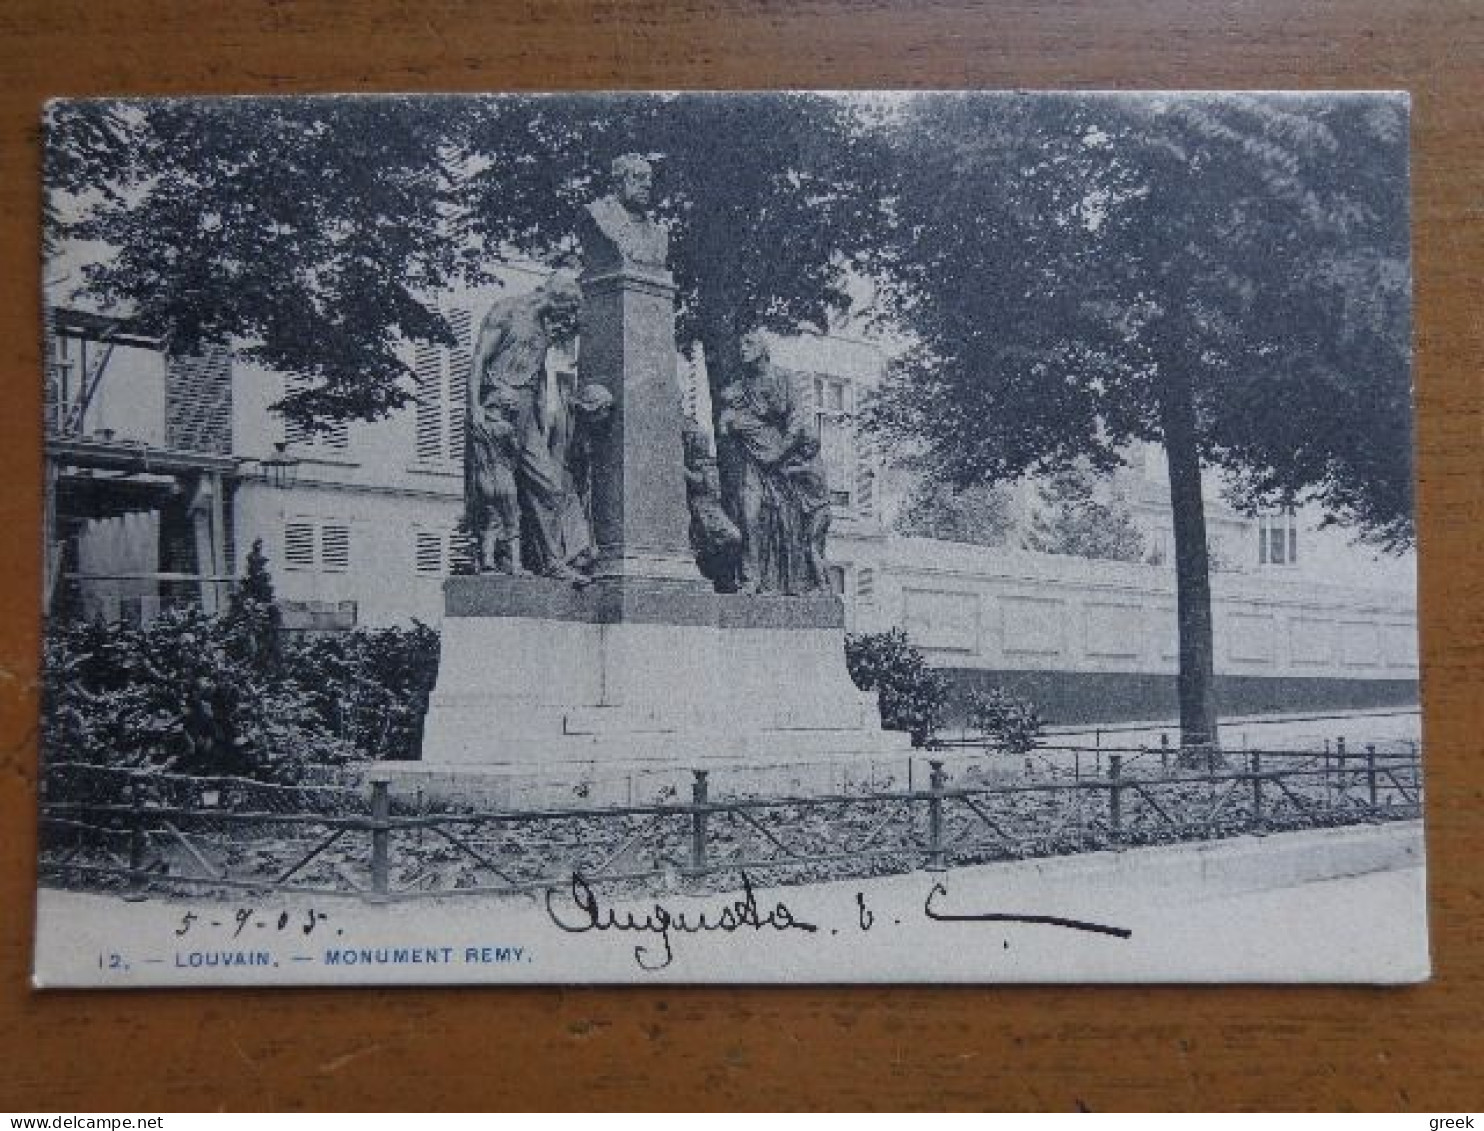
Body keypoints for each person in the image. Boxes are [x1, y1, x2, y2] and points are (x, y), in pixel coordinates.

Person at [467, 274, 583, 579]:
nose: (568, 318)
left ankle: (553, 561)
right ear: (556, 299)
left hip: (527, 415)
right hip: (498, 408)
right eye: (568, 309)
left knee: (549, 487)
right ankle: (497, 557)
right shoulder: (506, 311)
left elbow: (539, 378)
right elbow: (479, 359)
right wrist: (475, 408)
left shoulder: (546, 327)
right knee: (495, 491)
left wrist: (541, 422)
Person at [715, 331, 830, 595]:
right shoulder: (740, 386)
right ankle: (751, 578)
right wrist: (728, 420)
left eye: (748, 343)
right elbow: (725, 427)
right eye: (740, 344)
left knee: (786, 523)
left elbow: (797, 420)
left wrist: (779, 453)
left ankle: (791, 582)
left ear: (763, 349)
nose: (742, 349)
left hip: (781, 460)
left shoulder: (783, 378)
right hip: (752, 462)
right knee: (749, 515)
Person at [465, 387, 524, 574]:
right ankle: (516, 564)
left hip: (484, 479)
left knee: (491, 522)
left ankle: (488, 560)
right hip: (503, 477)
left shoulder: (477, 428)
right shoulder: (505, 428)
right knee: (512, 522)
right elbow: (516, 452)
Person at [681, 420, 742, 591]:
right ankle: (719, 578)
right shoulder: (691, 462)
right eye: (698, 440)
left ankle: (722, 579)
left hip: (712, 507)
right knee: (729, 537)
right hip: (700, 508)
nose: (702, 444)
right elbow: (699, 482)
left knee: (733, 537)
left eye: (703, 441)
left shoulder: (706, 461)